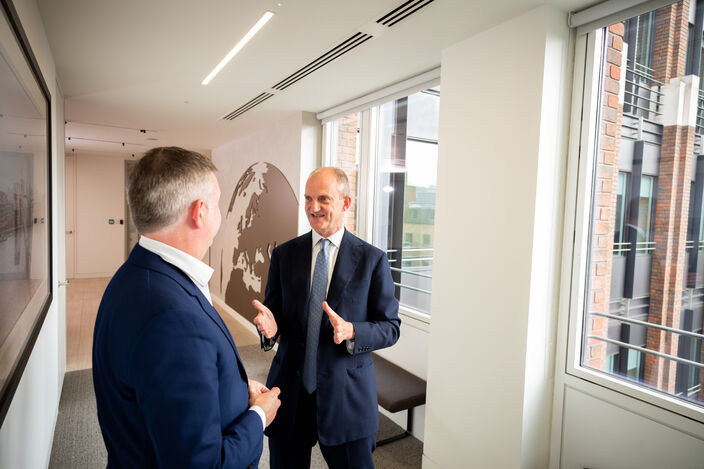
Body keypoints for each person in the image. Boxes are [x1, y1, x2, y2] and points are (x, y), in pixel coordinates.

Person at [92, 147, 281, 469]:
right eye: (217, 203)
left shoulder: (136, 274)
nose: (220, 213)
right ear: (200, 212)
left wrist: (234, 390)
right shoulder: (172, 318)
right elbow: (202, 463)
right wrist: (259, 415)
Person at [252, 167, 401, 469]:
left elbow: (390, 327)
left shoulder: (372, 260)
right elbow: (273, 314)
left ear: (346, 203)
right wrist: (270, 329)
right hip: (289, 392)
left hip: (346, 397)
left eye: (323, 199)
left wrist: (353, 331)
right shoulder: (284, 255)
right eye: (308, 199)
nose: (313, 207)